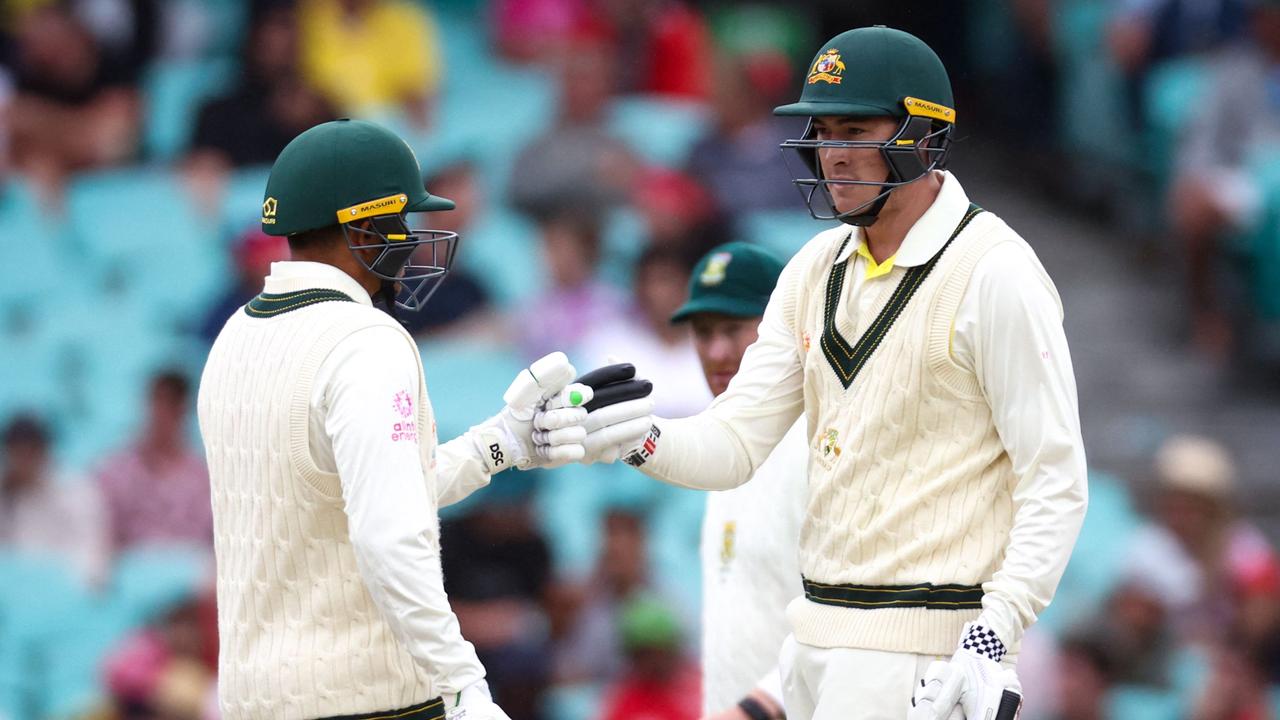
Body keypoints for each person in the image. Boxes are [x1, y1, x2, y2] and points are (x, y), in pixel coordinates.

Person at [588, 26, 1089, 720]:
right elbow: (734, 446)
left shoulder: (995, 272)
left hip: (925, 654)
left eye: (856, 128)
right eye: (823, 131)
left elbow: (1055, 481)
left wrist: (994, 630)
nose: (833, 154)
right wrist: (633, 436)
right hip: (815, 640)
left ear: (924, 135)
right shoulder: (813, 268)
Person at [198, 119, 597, 720]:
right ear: (362, 228)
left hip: (256, 699)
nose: (413, 243)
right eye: (402, 223)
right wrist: (462, 684)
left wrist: (500, 444)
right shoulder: (366, 339)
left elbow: (354, 494)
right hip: (368, 701)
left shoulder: (236, 336)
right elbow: (388, 533)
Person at [669, 242, 806, 720]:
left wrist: (759, 708)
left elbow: (851, 613)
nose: (717, 352)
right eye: (703, 333)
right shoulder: (718, 448)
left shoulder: (821, 444)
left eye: (733, 329)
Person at [96, 370, 213, 553]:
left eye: (171, 407)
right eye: (158, 403)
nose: (162, 414)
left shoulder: (204, 478)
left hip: (189, 570)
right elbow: (102, 533)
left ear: (184, 411)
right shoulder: (115, 471)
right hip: (131, 569)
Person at [0, 414, 109, 586]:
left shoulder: (76, 491)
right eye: (17, 452)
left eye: (30, 451)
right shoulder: (6, 494)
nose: (23, 460)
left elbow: (92, 550)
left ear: (45, 450)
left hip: (63, 591)